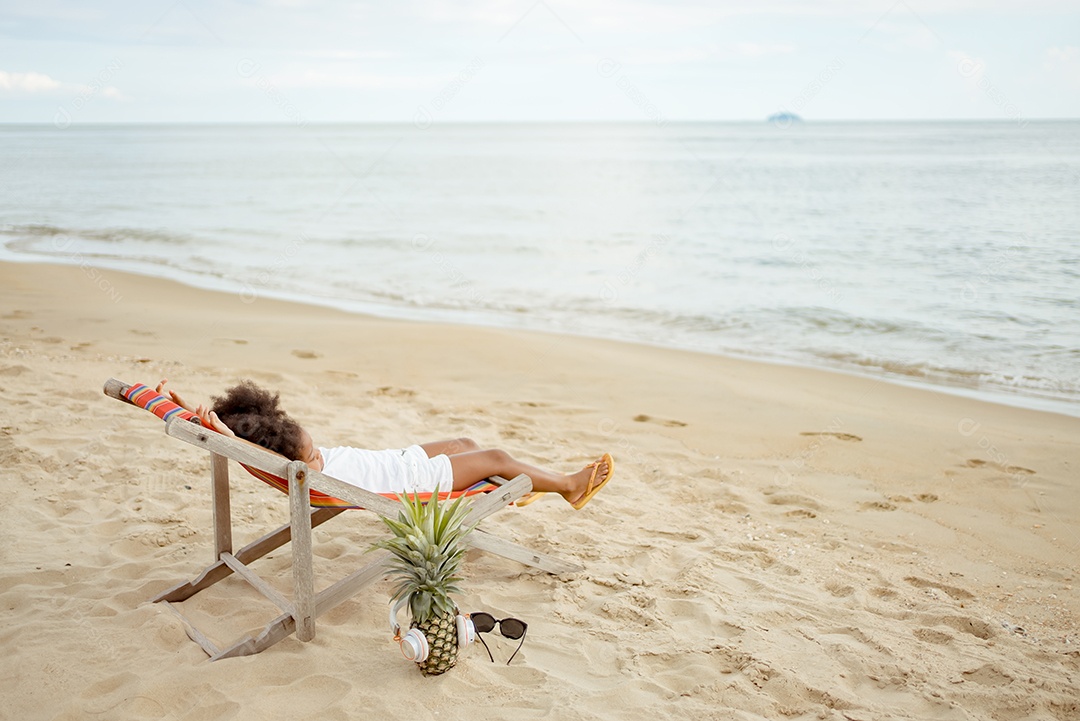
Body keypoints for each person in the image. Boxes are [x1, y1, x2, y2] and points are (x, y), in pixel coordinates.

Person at [155, 379, 613, 510]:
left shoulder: (297, 455)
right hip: (412, 481)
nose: (314, 457)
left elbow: (258, 441)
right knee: (495, 458)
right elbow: (252, 451)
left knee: (465, 441)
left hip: (397, 461)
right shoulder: (298, 471)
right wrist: (224, 434)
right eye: (310, 456)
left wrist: (189, 409)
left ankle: (524, 489)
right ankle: (570, 487)